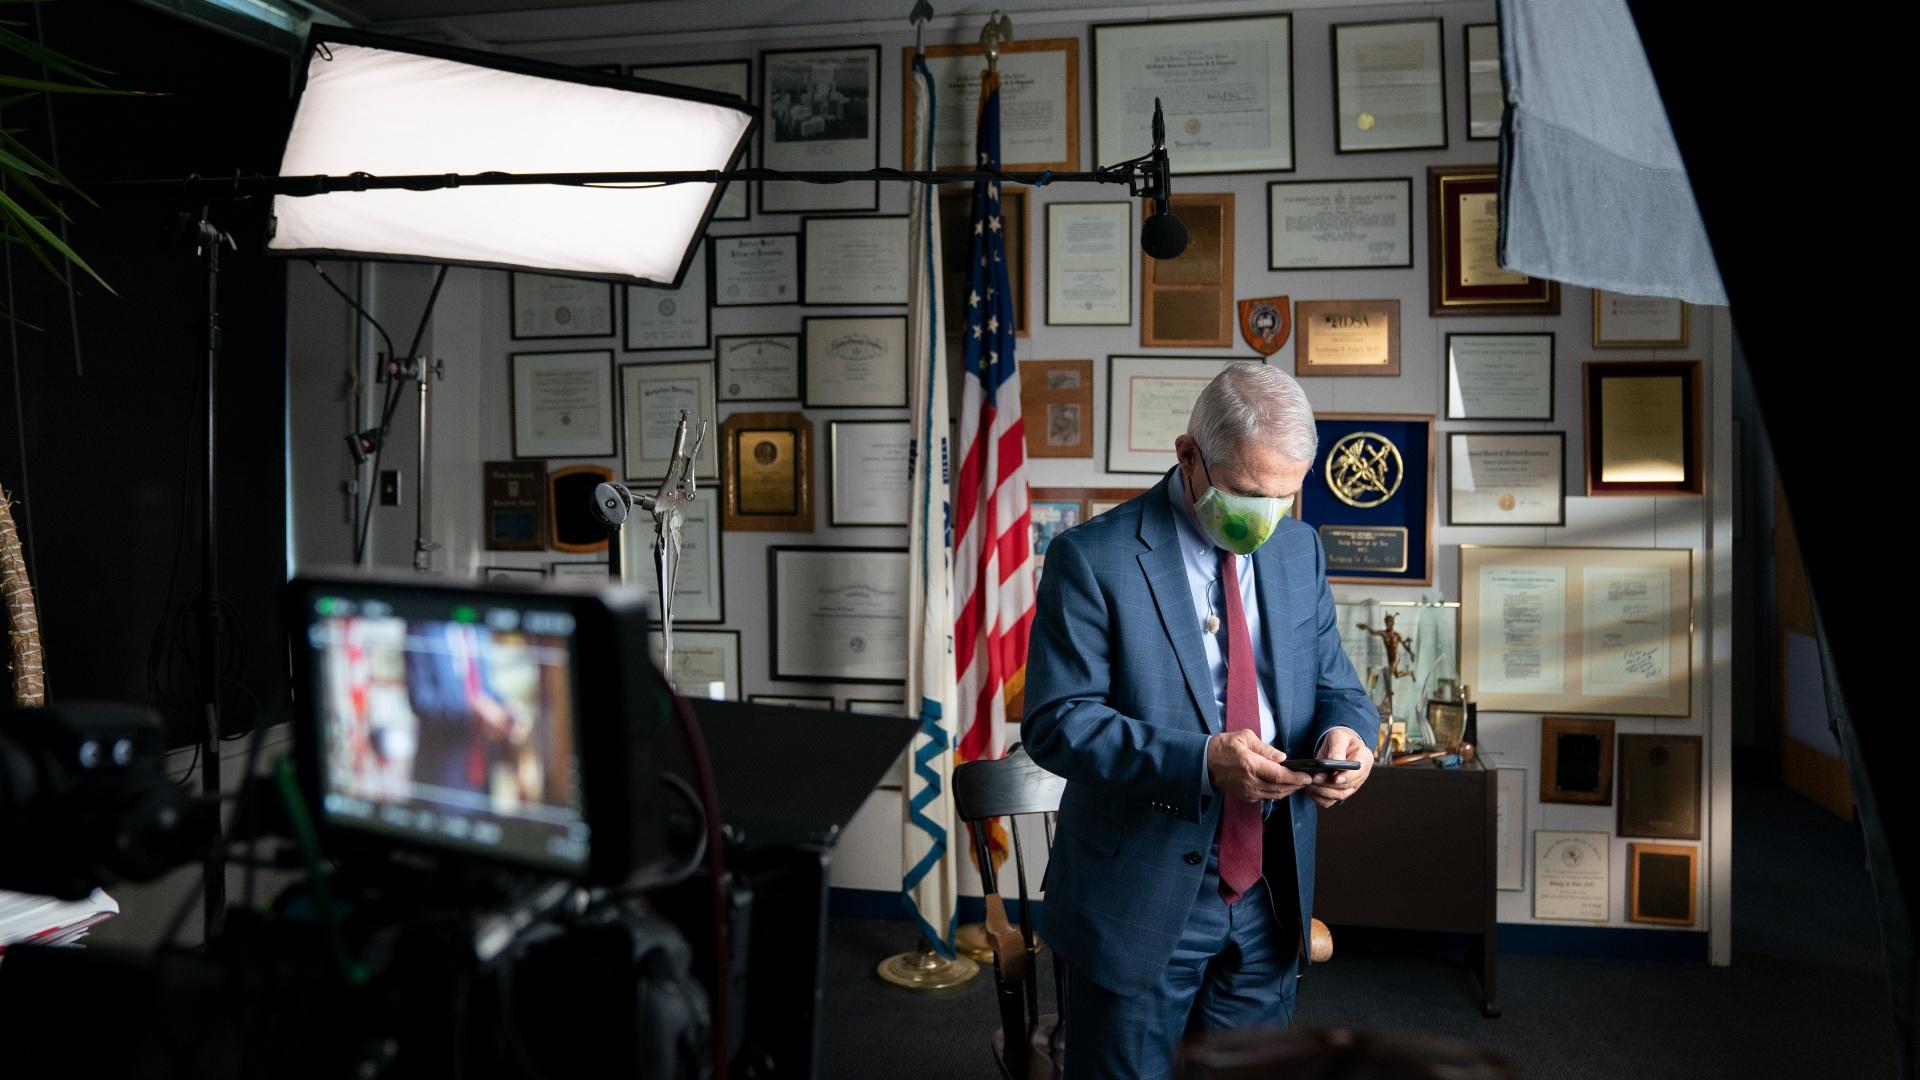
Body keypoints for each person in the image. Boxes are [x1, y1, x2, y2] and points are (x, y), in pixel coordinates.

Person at [1022, 361, 1377, 1078]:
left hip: (1270, 893)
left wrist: (1350, 739)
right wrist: (1202, 760)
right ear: (1189, 455)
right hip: (1139, 896)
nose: (1267, 514)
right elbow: (1057, 721)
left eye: (1285, 495)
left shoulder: (1297, 549)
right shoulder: (1092, 558)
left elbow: (1339, 686)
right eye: (1248, 492)